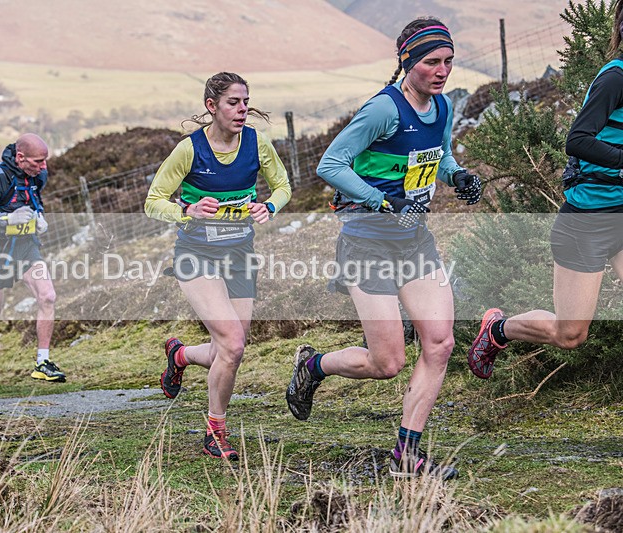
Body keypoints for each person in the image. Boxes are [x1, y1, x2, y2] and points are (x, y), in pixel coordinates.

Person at [285, 19, 483, 480]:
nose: (442, 71)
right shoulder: (383, 111)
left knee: (440, 344)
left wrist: (459, 176)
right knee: (388, 362)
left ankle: (406, 458)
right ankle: (313, 366)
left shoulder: (444, 106)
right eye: (431, 62)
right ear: (407, 62)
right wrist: (381, 199)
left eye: (448, 61)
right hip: (367, 241)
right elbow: (329, 164)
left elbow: (440, 155)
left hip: (414, 241)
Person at [468, 1, 623, 380]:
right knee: (570, 334)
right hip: (588, 222)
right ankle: (497, 329)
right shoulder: (615, 78)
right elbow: (578, 140)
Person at [144, 72, 292, 460]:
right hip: (197, 256)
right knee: (233, 343)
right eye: (233, 102)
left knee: (229, 350)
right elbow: (153, 200)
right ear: (212, 106)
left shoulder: (257, 144)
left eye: (246, 101)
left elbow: (283, 187)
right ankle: (215, 431)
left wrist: (269, 205)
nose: (242, 109)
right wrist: (186, 209)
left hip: (240, 256)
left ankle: (179, 355)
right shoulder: (189, 150)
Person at [0, 133, 65, 396]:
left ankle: (42, 361)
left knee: (48, 296)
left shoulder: (39, 175)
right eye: (39, 161)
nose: (44, 167)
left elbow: (33, 201)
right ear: (20, 157)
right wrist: (6, 219)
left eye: (45, 160)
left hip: (26, 247)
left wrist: (39, 217)